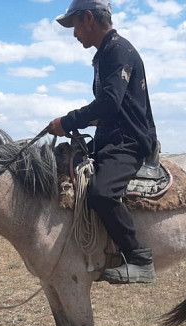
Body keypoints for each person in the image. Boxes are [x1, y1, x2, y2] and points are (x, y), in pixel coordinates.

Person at [48, 0, 158, 284]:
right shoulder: (104, 54)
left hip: (129, 140)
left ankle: (138, 259)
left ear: (88, 18)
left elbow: (109, 103)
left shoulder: (117, 51)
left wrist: (68, 121)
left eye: (74, 26)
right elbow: (114, 107)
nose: (74, 34)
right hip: (111, 137)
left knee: (101, 193)